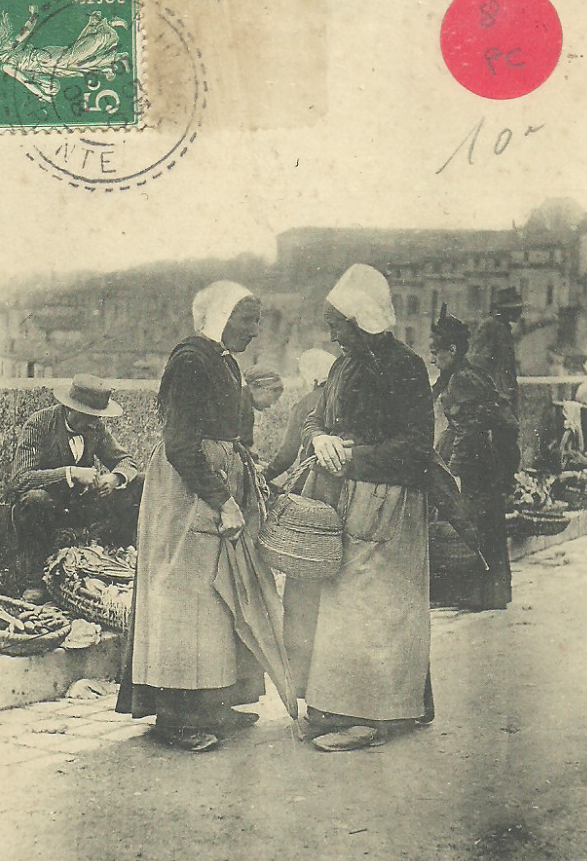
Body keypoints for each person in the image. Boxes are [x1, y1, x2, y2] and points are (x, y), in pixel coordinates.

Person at [116, 281, 293, 752]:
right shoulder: (191, 362)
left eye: (256, 320)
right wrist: (221, 499)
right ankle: (175, 716)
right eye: (247, 320)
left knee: (220, 597)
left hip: (215, 485)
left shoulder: (224, 362)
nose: (255, 331)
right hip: (187, 490)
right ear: (220, 317)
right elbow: (180, 444)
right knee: (185, 594)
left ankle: (215, 702)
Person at [287, 264, 435, 752]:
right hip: (345, 497)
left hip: (388, 502)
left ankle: (370, 715)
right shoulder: (343, 364)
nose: (331, 333)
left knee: (371, 607)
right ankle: (333, 706)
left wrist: (353, 456)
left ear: (362, 318)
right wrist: (321, 436)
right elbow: (313, 416)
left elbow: (416, 449)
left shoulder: (406, 367)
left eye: (338, 323)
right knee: (332, 603)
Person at [8, 374, 141, 602]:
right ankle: (36, 581)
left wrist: (116, 478)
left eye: (97, 416)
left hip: (78, 508)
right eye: (89, 416)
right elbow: (20, 480)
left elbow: (127, 460)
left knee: (139, 482)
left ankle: (118, 561)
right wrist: (71, 473)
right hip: (46, 509)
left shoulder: (95, 428)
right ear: (71, 408)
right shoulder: (39, 424)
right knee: (35, 499)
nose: (94, 422)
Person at [430, 309, 520, 611]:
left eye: (435, 352)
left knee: (471, 522)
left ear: (451, 350)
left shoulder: (463, 379)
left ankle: (476, 595)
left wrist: (454, 470)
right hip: (482, 459)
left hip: (473, 462)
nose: (432, 358)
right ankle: (489, 594)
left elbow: (468, 429)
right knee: (483, 524)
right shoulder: (464, 373)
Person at [263, 348, 336, 484]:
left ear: (313, 378)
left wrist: (263, 476)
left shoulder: (307, 403)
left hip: (312, 478)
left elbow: (287, 454)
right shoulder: (346, 398)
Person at [470, 285, 522, 413]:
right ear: (506, 310)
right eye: (516, 309)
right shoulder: (491, 326)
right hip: (495, 398)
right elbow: (477, 361)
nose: (519, 312)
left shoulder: (504, 328)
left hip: (505, 396)